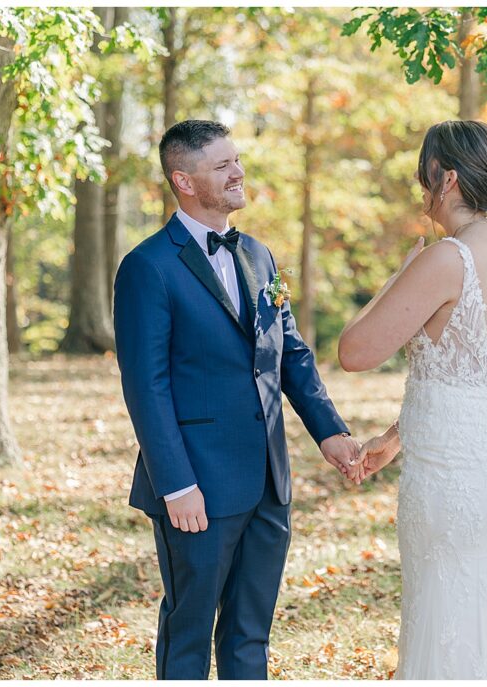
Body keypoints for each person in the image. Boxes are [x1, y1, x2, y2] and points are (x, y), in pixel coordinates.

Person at [113, 119, 359, 680]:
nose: (238, 172)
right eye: (221, 165)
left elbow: (290, 354)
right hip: (196, 487)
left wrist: (332, 435)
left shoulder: (260, 256)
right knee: (190, 632)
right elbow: (145, 387)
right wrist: (176, 485)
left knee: (252, 634)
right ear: (183, 180)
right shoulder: (147, 267)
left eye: (237, 160)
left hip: (270, 482)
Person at [339, 120, 487, 679]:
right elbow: (469, 371)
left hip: (458, 473)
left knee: (447, 613)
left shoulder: (447, 257)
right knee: (482, 609)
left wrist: (398, 276)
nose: (418, 185)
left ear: (446, 178)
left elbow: (354, 351)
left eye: (421, 174)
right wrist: (395, 437)